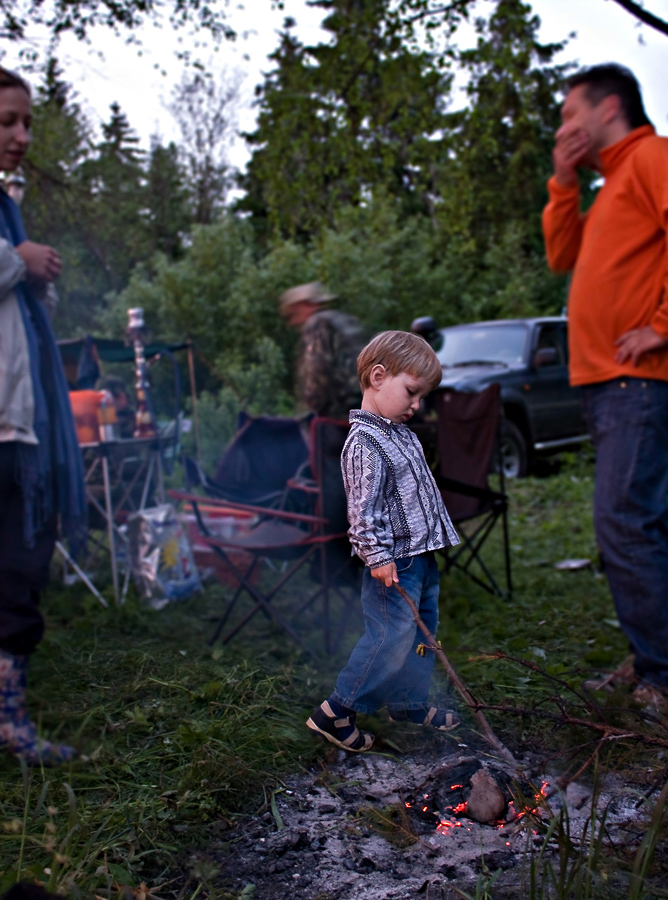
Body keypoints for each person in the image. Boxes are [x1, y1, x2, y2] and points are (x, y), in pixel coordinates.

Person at [542, 64, 668, 708]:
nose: (563, 127)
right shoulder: (612, 182)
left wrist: (661, 326)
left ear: (609, 107)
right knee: (649, 522)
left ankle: (661, 674)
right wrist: (564, 180)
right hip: (606, 383)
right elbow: (562, 255)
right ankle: (655, 654)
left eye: (570, 115)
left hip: (637, 380)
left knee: (622, 522)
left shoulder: (651, 157)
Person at [306, 331, 461, 751]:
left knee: (424, 634)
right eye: (412, 391)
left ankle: (408, 701)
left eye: (422, 395)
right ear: (378, 377)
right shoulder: (365, 445)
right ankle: (337, 711)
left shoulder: (400, 434)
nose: (417, 404)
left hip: (420, 559)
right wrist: (377, 556)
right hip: (394, 563)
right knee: (390, 638)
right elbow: (362, 509)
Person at [0, 66, 86, 764]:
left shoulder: (9, 209)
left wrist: (37, 280)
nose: (22, 136)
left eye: (26, 122)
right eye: (7, 122)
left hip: (18, 426)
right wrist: (15, 262)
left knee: (18, 572)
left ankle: (9, 720)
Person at [279, 281, 365, 418]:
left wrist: (310, 412)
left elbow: (317, 373)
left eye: (293, 313)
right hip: (365, 403)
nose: (292, 322)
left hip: (341, 411)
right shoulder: (342, 321)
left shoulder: (316, 325)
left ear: (306, 306)